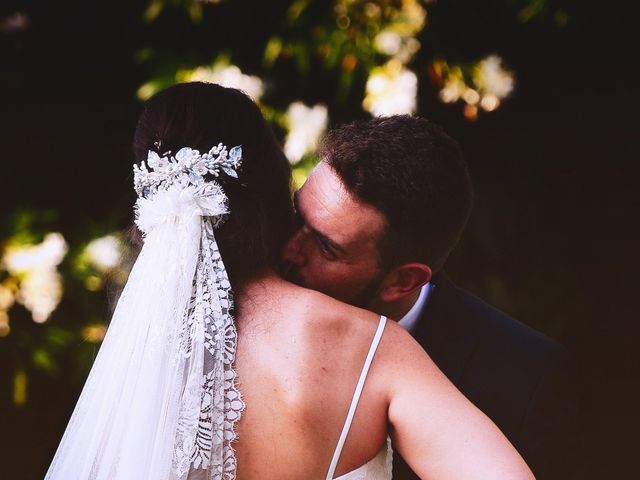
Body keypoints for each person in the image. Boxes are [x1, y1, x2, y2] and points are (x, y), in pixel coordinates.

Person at [45, 82, 533, 480]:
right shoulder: (370, 349)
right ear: (274, 187)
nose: (296, 246)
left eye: (326, 246)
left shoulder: (143, 345)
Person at [281, 115, 583, 479]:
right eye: (298, 216)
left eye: (326, 248)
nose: (288, 250)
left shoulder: (526, 378)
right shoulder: (237, 307)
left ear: (403, 280)